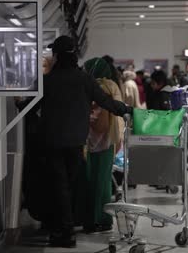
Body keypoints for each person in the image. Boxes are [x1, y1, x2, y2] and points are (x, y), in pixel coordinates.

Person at [41, 36, 132, 248]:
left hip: (52, 141)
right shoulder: (84, 79)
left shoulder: (48, 80)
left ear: (58, 55)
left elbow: (30, 105)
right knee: (70, 186)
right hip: (76, 142)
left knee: (59, 187)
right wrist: (128, 110)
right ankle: (67, 228)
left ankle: (64, 232)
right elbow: (106, 102)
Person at [82, 57, 124, 234]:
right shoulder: (113, 86)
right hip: (109, 140)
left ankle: (92, 219)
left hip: (90, 141)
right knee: (104, 182)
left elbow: (92, 115)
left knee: (91, 182)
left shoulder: (93, 86)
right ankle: (105, 219)